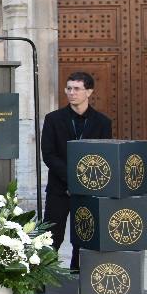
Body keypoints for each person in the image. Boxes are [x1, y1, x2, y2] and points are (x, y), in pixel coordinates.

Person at [41, 71, 113, 271]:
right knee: (51, 236)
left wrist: (82, 184)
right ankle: (44, 278)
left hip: (89, 192)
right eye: (69, 88)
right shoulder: (53, 119)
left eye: (77, 89)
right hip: (59, 189)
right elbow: (48, 154)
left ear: (89, 92)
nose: (71, 93)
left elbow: (103, 158)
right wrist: (72, 180)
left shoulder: (102, 122)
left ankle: (79, 277)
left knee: (84, 237)